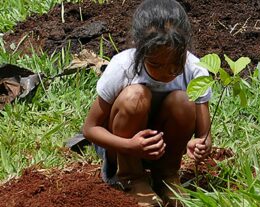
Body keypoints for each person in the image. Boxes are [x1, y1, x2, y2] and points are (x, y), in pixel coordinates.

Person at [83, 0, 212, 206]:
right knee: (135, 96)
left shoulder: (195, 71)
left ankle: (167, 177)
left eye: (175, 64)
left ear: (185, 48)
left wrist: (201, 144)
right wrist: (130, 146)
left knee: (183, 101)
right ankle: (131, 177)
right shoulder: (123, 67)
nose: (167, 72)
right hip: (124, 148)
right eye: (156, 65)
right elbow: (90, 128)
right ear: (140, 49)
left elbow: (204, 136)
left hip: (164, 151)